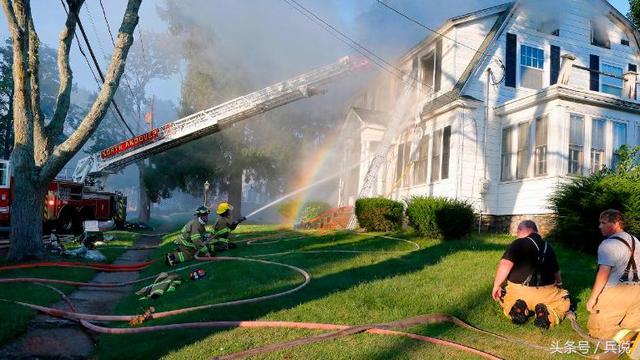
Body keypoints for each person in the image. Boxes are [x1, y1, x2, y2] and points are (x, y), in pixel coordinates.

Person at [491, 220, 570, 329]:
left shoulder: (518, 243)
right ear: (536, 231)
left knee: (505, 297)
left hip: (519, 291)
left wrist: (496, 285)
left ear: (521, 230)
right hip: (546, 294)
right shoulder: (549, 247)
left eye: (517, 231)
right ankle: (546, 315)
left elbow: (505, 263)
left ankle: (517, 308)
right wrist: (560, 286)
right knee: (562, 303)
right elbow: (556, 272)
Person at [587, 209, 640, 345]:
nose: (600, 226)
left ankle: (619, 340)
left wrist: (593, 299)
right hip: (637, 292)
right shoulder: (636, 241)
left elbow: (603, 274)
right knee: (632, 324)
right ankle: (632, 333)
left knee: (597, 332)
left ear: (616, 223)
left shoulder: (608, 244)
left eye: (603, 223)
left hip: (616, 292)